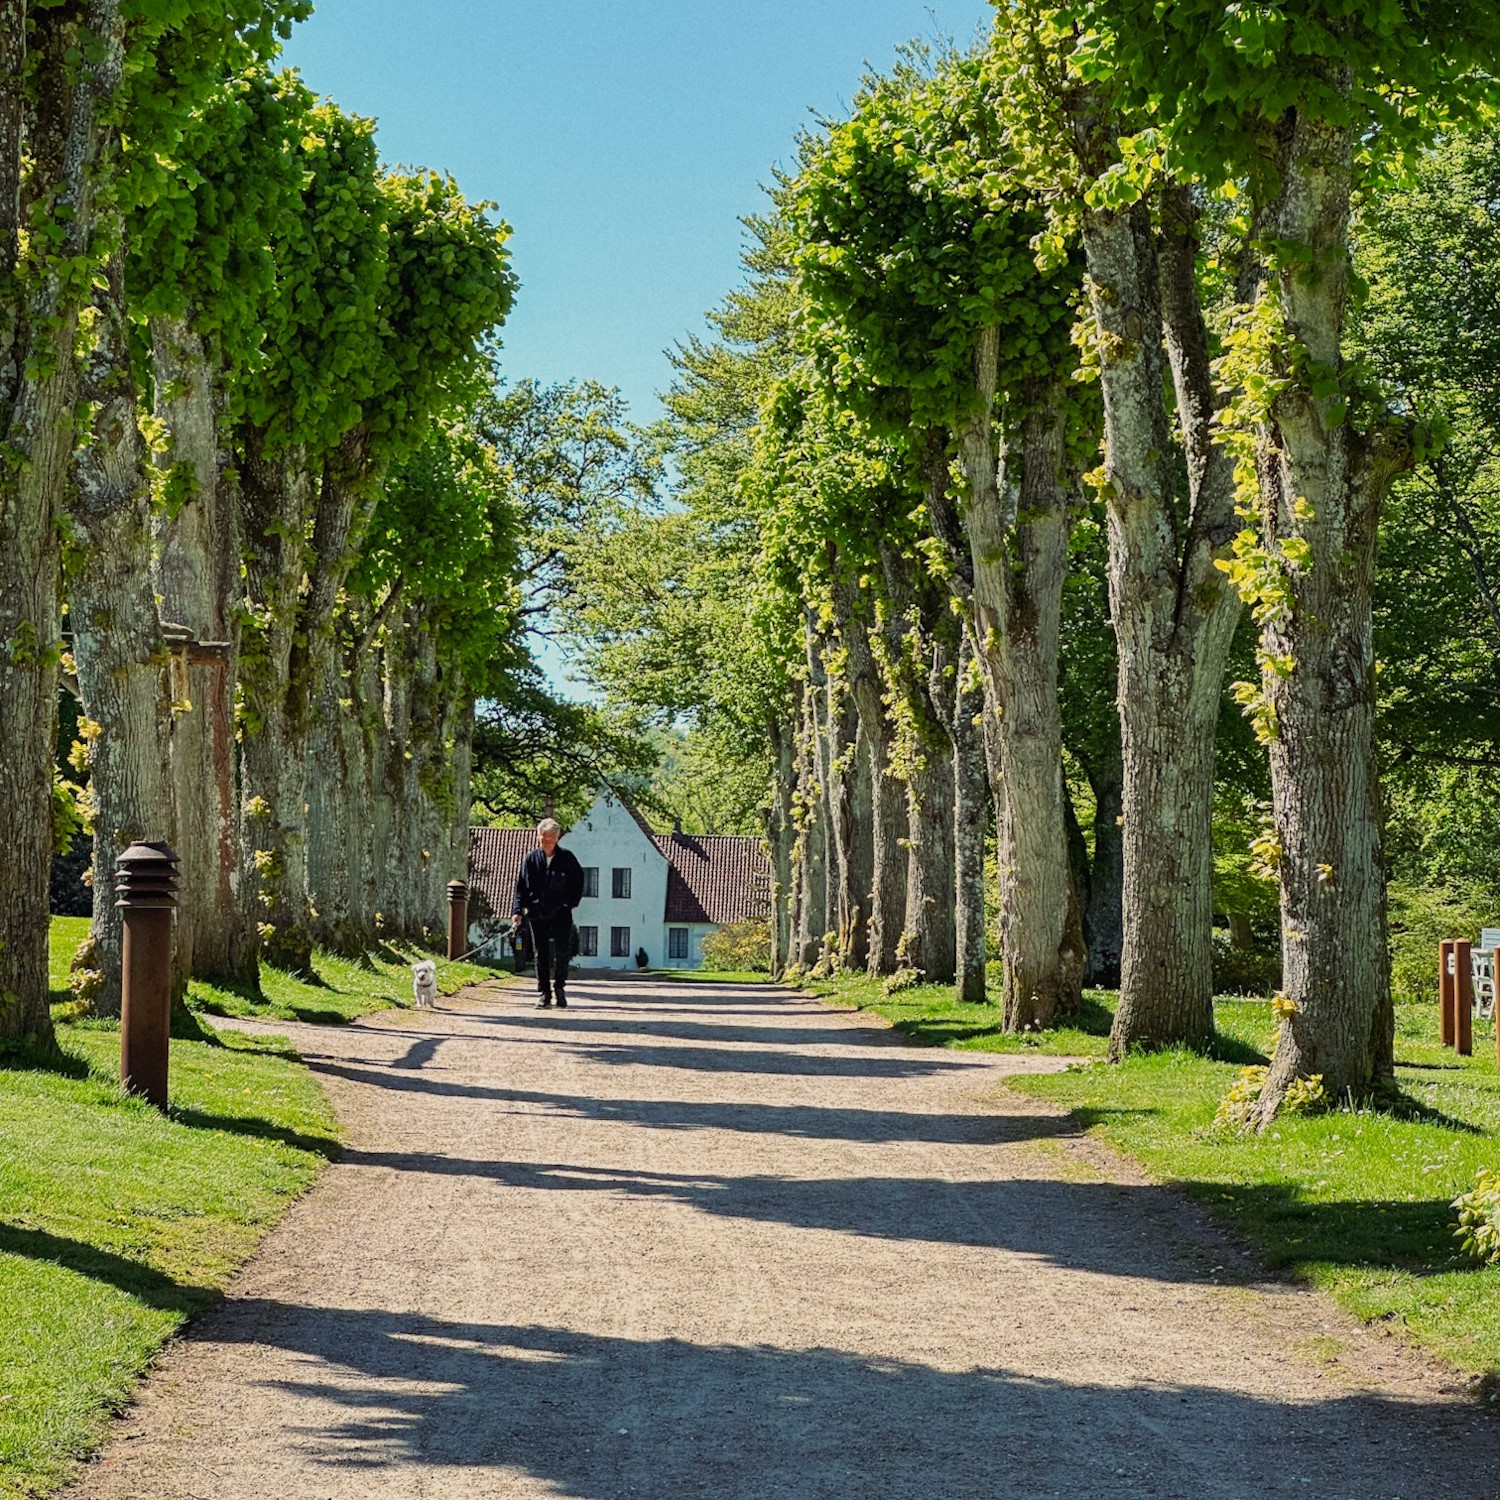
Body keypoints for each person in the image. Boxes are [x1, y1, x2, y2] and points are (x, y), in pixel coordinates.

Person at [512, 817, 585, 1009]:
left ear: (557, 838)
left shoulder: (567, 859)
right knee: (541, 953)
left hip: (561, 912)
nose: (546, 842)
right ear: (538, 837)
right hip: (537, 912)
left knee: (562, 951)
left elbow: (578, 882)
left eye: (550, 839)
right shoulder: (531, 859)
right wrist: (518, 910)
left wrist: (570, 903)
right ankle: (544, 993)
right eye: (543, 838)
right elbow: (521, 887)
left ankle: (560, 987)